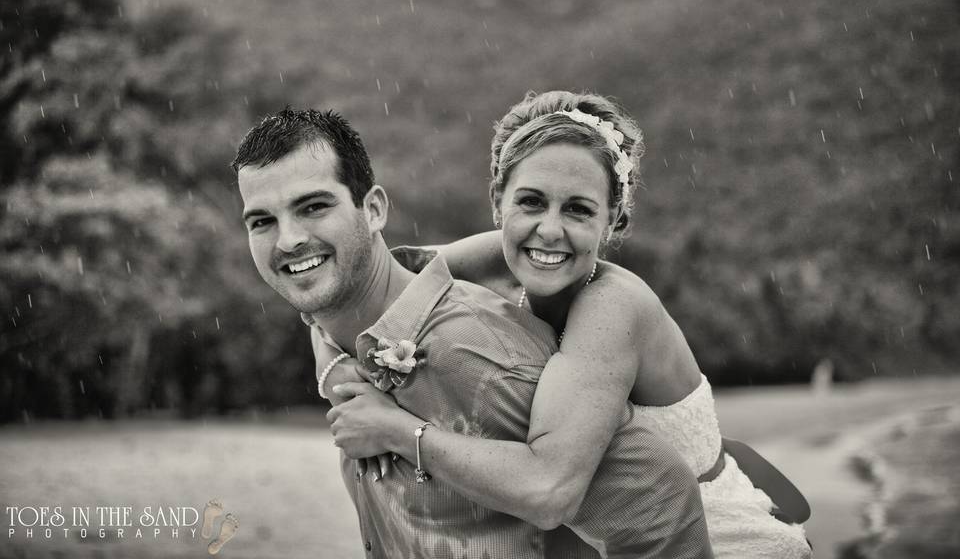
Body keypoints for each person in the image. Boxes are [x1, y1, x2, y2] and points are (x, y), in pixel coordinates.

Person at [322, 91, 812, 558]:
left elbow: (548, 488)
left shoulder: (614, 306)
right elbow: (356, 283)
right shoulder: (493, 257)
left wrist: (395, 430)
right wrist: (343, 374)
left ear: (614, 220)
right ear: (499, 201)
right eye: (531, 202)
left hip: (697, 537)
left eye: (578, 209)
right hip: (582, 538)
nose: (550, 230)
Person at [232, 107, 712, 559]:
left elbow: (650, 495)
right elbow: (392, 274)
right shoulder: (422, 297)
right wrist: (341, 364)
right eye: (262, 221)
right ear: (500, 207)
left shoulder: (495, 351)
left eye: (314, 207)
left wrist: (401, 432)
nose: (289, 239)